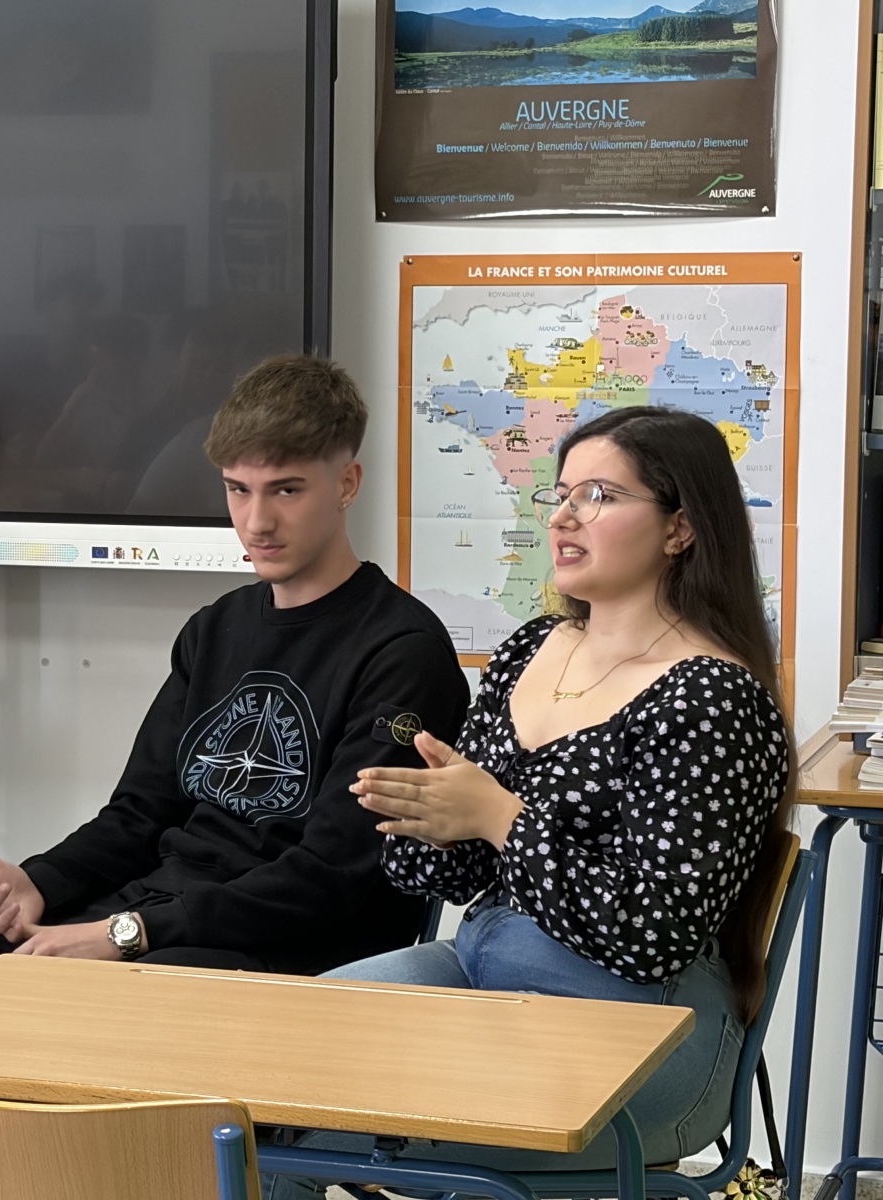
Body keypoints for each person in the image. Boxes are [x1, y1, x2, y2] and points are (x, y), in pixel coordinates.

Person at [263, 406, 793, 1197]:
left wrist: (500, 818)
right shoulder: (532, 646)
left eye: (600, 496)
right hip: (482, 967)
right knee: (256, 1068)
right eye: (561, 493)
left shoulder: (713, 698)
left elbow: (652, 937)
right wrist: (428, 819)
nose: (564, 517)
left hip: (643, 1024)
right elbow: (443, 877)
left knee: (299, 1123)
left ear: (680, 528)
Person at [0, 353, 471, 971]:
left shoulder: (403, 652)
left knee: (37, 994)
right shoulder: (214, 629)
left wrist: (129, 933)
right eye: (238, 489)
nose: (257, 522)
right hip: (156, 913)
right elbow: (138, 815)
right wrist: (41, 884)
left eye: (287, 490)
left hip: (282, 946)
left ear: (347, 485)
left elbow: (330, 878)